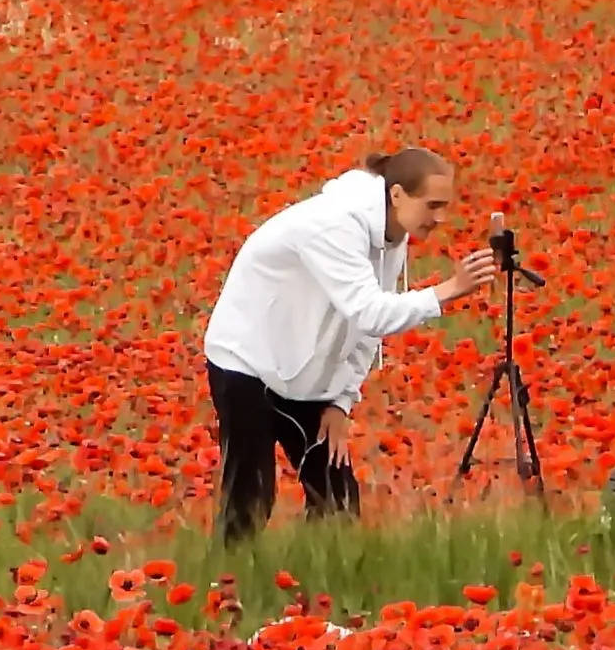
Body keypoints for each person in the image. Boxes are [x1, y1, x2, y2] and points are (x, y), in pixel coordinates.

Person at [202, 149, 499, 541]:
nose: (440, 218)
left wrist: (341, 401)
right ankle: (228, 588)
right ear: (396, 196)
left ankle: (320, 586)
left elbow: (365, 333)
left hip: (304, 368)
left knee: (337, 499)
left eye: (445, 206)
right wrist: (449, 291)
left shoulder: (392, 236)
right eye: (433, 205)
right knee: (251, 496)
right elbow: (370, 312)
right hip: (247, 361)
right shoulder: (336, 225)